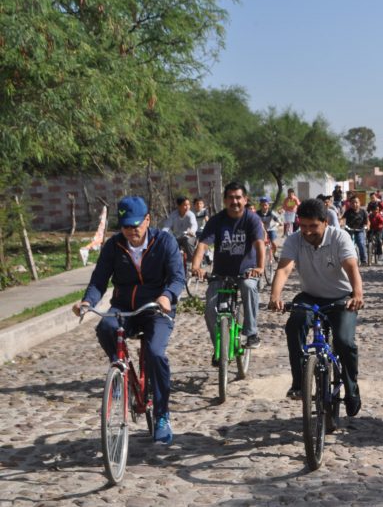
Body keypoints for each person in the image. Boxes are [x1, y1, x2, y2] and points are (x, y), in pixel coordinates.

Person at [72, 196, 184, 444]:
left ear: (147, 220)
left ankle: (162, 415)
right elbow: (99, 280)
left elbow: (178, 277)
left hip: (156, 309)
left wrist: (167, 296)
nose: (131, 231)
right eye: (125, 226)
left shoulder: (164, 241)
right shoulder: (113, 246)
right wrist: (87, 302)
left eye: (135, 225)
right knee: (105, 326)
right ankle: (119, 369)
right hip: (124, 308)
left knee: (155, 354)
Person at [268, 198, 364, 417]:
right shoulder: (295, 240)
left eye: (313, 226)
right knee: (295, 324)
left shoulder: (339, 237)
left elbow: (351, 268)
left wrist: (357, 294)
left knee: (344, 342)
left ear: (325, 222)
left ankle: (351, 387)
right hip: (310, 296)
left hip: (341, 298)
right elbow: (284, 269)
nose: (308, 231)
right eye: (303, 226)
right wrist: (275, 296)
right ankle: (299, 382)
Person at [191, 182, 266, 355]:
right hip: (221, 273)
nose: (235, 201)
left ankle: (252, 333)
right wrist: (195, 266)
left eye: (238, 197)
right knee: (210, 309)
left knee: (249, 287)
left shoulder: (252, 219)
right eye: (231, 198)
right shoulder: (217, 220)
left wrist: (260, 267)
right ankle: (219, 348)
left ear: (245, 199)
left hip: (247, 271)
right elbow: (203, 245)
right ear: (225, 200)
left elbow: (259, 244)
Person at [162, 196, 198, 261]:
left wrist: (192, 231)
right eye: (185, 205)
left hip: (188, 236)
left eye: (188, 205)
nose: (187, 207)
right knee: (169, 244)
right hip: (176, 237)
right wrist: (163, 233)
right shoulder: (173, 215)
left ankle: (191, 262)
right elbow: (167, 226)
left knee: (188, 241)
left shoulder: (191, 215)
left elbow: (194, 225)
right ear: (179, 206)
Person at [341, 194, 368, 265]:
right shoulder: (348, 211)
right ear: (350, 204)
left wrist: (367, 226)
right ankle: (347, 258)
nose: (354, 204)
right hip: (349, 230)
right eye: (352, 203)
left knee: (361, 243)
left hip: (359, 230)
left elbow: (367, 222)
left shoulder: (363, 212)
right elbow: (343, 219)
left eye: (356, 202)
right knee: (347, 244)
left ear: (359, 203)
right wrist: (340, 223)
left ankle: (363, 259)